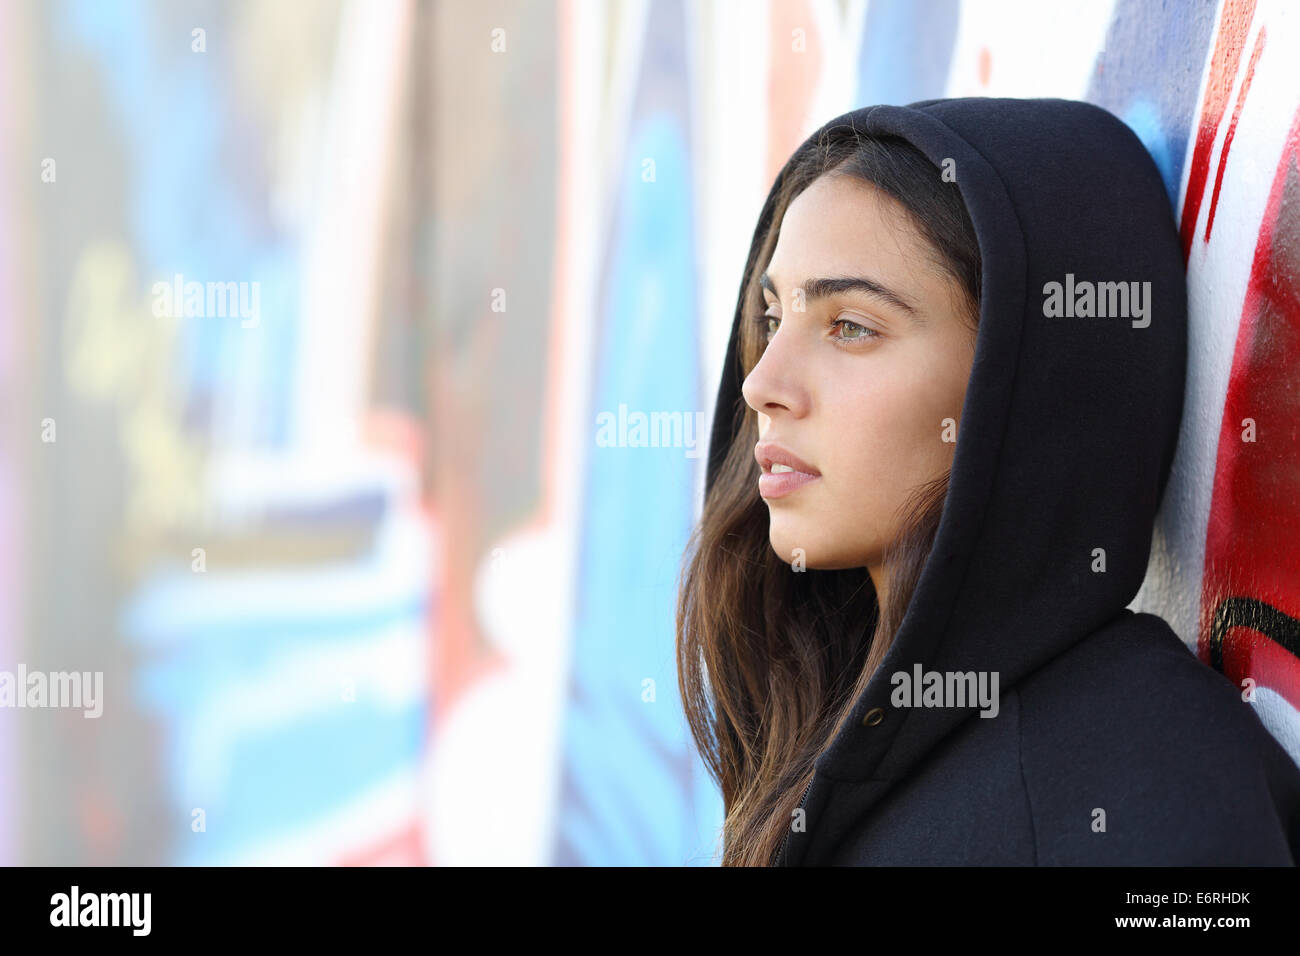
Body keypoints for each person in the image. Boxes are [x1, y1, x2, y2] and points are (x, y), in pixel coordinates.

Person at [676, 97, 1300, 866]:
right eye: (773, 319)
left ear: (1025, 376)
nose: (763, 383)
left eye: (851, 326)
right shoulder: (854, 744)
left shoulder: (1140, 768)